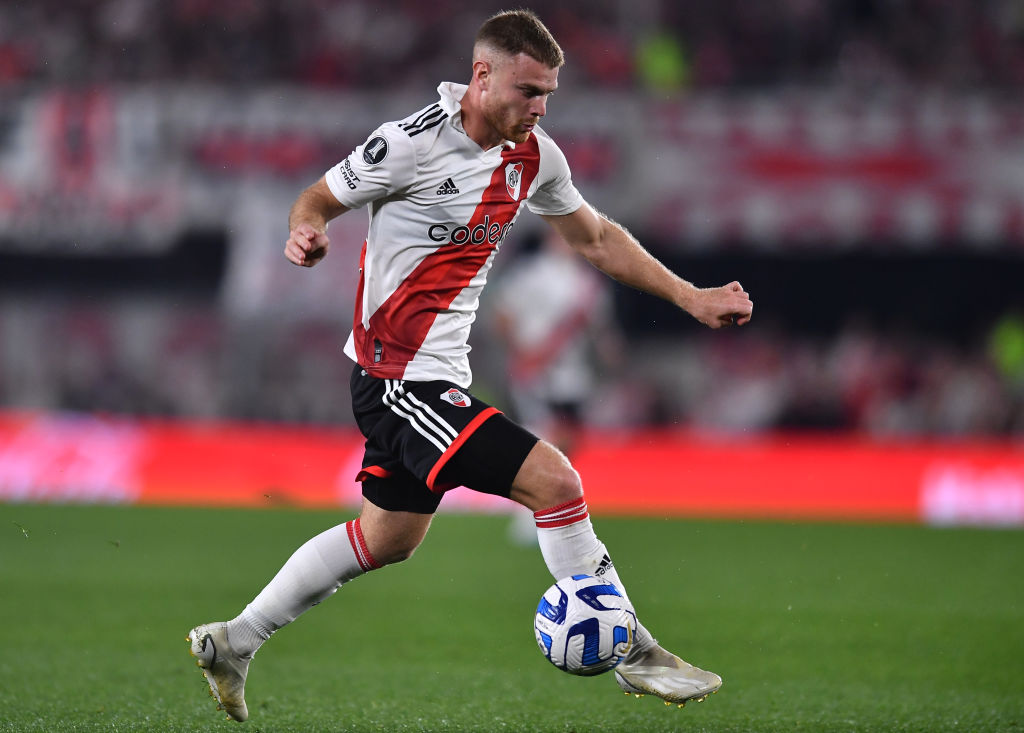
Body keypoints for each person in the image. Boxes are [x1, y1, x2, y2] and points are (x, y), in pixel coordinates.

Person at [187, 10, 752, 723]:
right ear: (481, 76)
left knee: (388, 536)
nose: (539, 107)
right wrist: (307, 229)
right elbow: (319, 197)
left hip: (433, 379)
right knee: (556, 479)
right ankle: (635, 649)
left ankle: (234, 640)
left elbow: (597, 238)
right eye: (527, 90)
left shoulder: (535, 156)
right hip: (397, 379)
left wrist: (690, 295)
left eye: (548, 93)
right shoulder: (407, 144)